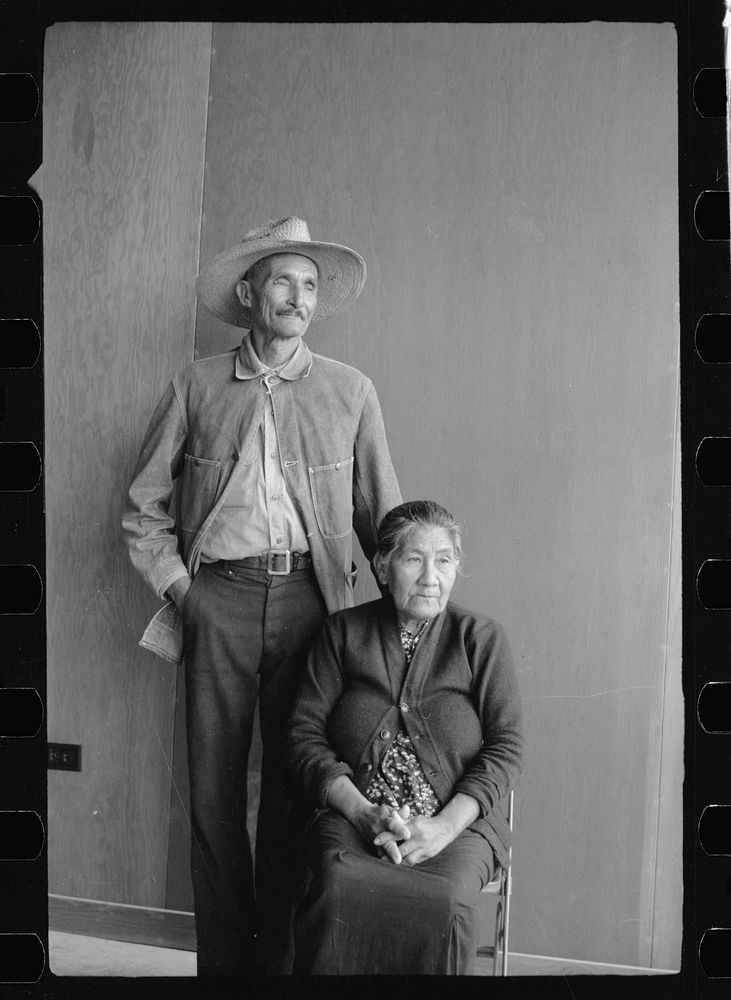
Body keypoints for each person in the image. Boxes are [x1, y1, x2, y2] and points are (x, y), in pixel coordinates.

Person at [121, 217, 401, 976]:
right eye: (283, 280)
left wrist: (400, 623)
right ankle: (223, 968)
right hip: (218, 600)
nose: (297, 297)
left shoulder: (350, 392)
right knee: (213, 795)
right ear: (248, 292)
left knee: (296, 788)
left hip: (318, 608)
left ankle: (276, 965)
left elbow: (384, 522)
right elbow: (142, 508)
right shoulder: (195, 385)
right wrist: (184, 592)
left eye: (309, 286)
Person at [287, 500, 523, 975]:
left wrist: (444, 827)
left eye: (444, 560)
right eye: (414, 559)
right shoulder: (342, 634)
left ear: (457, 567)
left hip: (457, 824)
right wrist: (361, 811)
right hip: (354, 816)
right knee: (337, 885)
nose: (430, 576)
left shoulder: (481, 639)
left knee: (447, 901)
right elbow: (303, 736)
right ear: (382, 565)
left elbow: (507, 747)